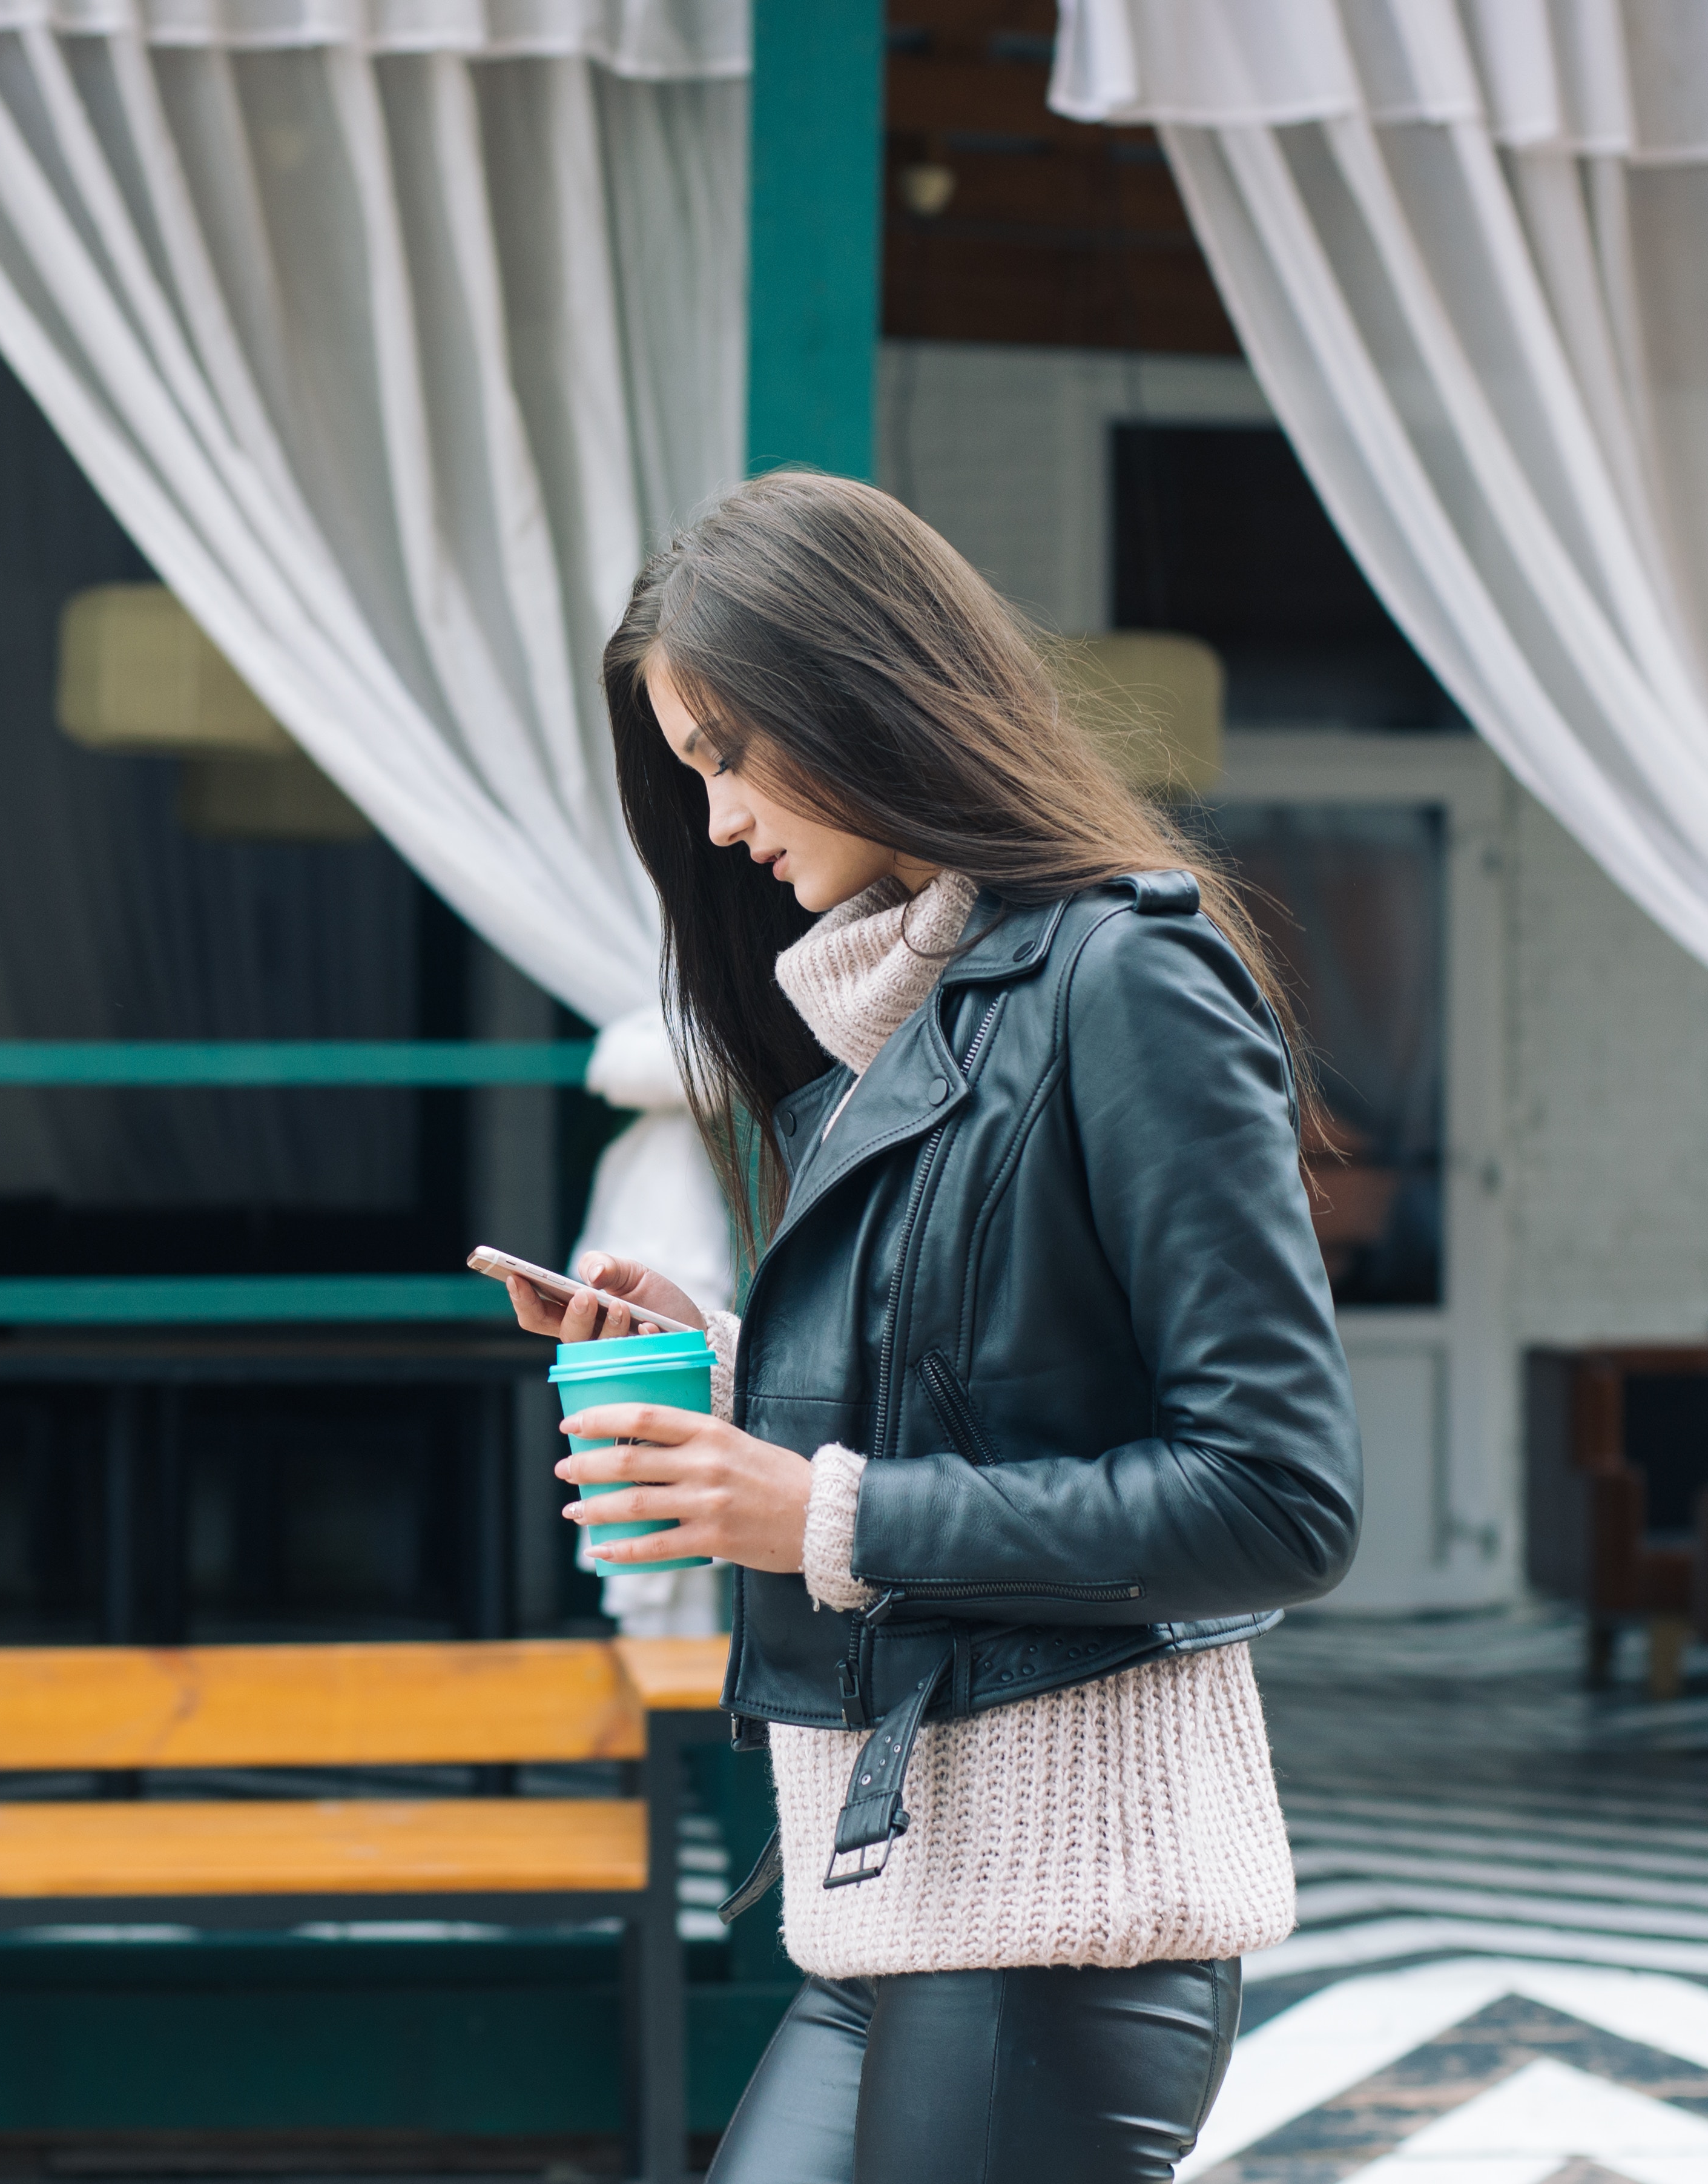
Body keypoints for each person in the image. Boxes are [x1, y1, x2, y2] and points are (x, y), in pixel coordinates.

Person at [499, 472, 1361, 2183]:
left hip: (1064, 1921)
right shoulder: (884, 1022)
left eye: (727, 756)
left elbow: (1276, 1498)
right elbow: (1003, 1379)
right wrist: (728, 1366)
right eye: (692, 776)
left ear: (860, 693)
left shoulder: (1126, 981)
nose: (722, 819)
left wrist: (815, 1514)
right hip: (887, 1904)